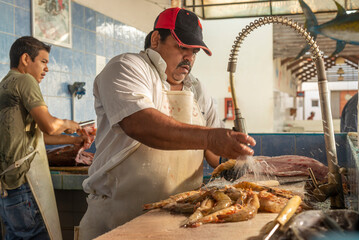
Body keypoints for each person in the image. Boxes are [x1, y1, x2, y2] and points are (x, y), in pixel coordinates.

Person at [79, 8, 256, 239]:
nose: (189, 58)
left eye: (195, 52)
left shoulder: (196, 88)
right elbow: (141, 125)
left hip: (179, 220)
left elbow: (215, 156)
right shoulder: (127, 67)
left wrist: (236, 156)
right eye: (182, 47)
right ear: (156, 39)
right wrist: (211, 137)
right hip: (118, 220)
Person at [0, 36, 86, 239]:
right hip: (23, 185)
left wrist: (74, 140)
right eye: (43, 61)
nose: (47, 69)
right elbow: (49, 125)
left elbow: (37, 137)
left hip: (8, 188)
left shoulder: (5, 84)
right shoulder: (25, 80)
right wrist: (69, 124)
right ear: (25, 59)